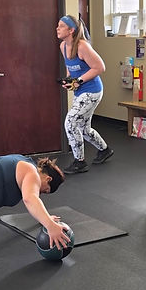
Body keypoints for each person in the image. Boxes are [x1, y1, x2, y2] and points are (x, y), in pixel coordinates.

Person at [57, 14, 113, 174]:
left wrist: (79, 81)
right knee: (83, 128)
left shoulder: (82, 46)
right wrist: (69, 81)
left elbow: (100, 67)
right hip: (81, 91)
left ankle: (79, 161)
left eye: (61, 26)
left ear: (71, 30)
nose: (57, 28)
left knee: (70, 122)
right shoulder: (63, 46)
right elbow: (71, 66)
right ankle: (105, 150)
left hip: (92, 91)